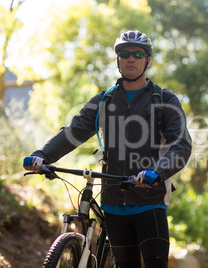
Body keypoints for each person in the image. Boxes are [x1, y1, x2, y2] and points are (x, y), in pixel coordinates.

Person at [23, 29, 192, 268]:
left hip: (150, 199)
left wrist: (158, 172)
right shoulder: (104, 100)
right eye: (125, 53)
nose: (131, 58)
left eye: (137, 53)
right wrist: (41, 155)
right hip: (113, 200)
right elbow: (74, 132)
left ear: (148, 60)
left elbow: (181, 145)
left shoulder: (164, 100)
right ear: (118, 60)